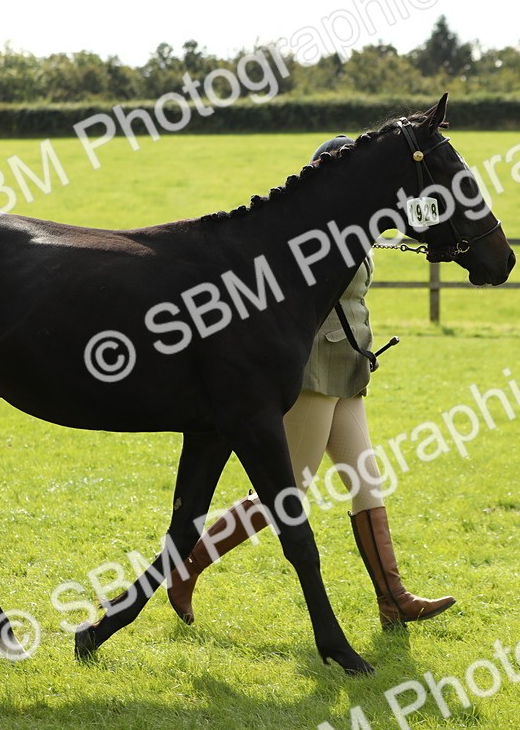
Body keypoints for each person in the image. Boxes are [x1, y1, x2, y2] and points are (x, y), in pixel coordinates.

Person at [166, 135, 456, 629]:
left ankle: (393, 600)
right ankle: (186, 567)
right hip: (311, 372)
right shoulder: (311, 238)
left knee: (366, 481)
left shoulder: (355, 231)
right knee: (287, 491)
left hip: (347, 369)